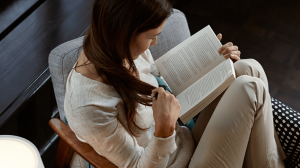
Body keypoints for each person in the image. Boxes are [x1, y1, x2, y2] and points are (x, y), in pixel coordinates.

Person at [64, 0, 286, 167]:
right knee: (250, 88)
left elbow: (154, 75)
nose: (155, 43)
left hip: (185, 143)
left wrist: (209, 60)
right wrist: (163, 131)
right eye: (151, 37)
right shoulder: (88, 106)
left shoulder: (115, 47)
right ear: (124, 33)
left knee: (248, 69)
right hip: (174, 160)